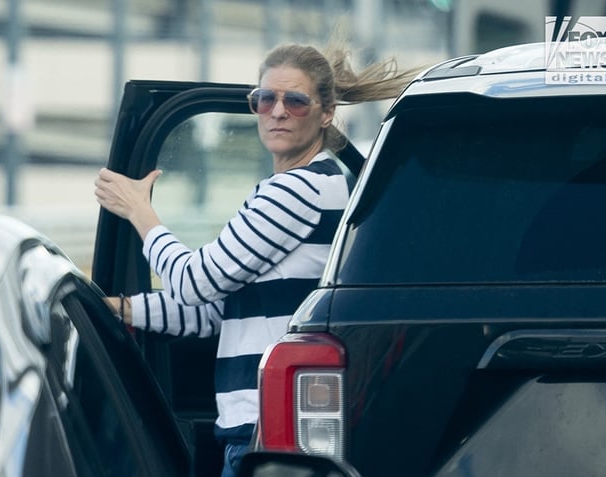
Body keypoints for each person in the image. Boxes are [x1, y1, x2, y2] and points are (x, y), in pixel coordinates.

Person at [94, 42, 417, 477]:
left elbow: (195, 282)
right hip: (260, 430)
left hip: (265, 431)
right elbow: (215, 312)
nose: (278, 111)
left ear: (326, 112)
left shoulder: (298, 190)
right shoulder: (316, 185)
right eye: (266, 98)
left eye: (296, 101)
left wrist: (139, 211)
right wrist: (121, 309)